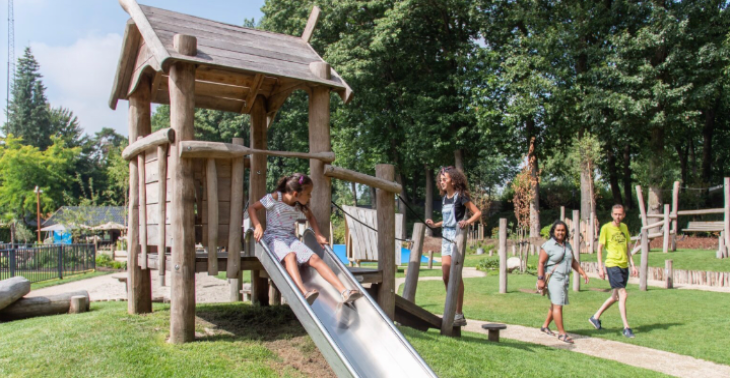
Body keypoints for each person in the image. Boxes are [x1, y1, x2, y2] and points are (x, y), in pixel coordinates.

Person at [249, 173, 363, 305]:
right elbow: (252, 208)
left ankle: (344, 291)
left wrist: (318, 234)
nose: (310, 196)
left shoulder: (298, 204)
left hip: (291, 239)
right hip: (273, 239)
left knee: (314, 258)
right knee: (290, 256)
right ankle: (303, 292)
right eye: (308, 194)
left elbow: (311, 217)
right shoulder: (275, 197)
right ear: (296, 193)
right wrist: (257, 226)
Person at [425, 166, 481, 326]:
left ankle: (458, 313)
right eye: (440, 180)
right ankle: (451, 305)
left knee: (455, 275)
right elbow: (448, 219)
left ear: (453, 180)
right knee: (445, 275)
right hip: (445, 237)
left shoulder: (461, 196)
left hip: (457, 237)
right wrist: (436, 224)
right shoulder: (444, 199)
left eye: (445, 179)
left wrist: (467, 222)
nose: (441, 182)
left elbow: (477, 213)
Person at [588, 204, 638, 338]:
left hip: (623, 265)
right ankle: (626, 327)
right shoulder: (606, 228)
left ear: (623, 215)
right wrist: (600, 267)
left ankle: (595, 317)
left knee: (615, 297)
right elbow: (599, 248)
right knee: (623, 294)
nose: (618, 216)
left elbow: (627, 248)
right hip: (612, 265)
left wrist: (632, 265)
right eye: (615, 214)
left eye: (620, 214)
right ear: (612, 214)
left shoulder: (624, 228)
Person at [537, 221, 589, 344]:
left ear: (566, 232)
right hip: (554, 278)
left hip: (564, 279)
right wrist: (540, 279)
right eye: (558, 230)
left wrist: (582, 273)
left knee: (555, 304)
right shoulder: (548, 245)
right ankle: (562, 334)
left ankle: (545, 326)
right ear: (553, 231)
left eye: (563, 230)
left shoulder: (567, 245)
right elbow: (541, 263)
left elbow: (573, 261)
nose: (560, 232)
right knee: (558, 305)